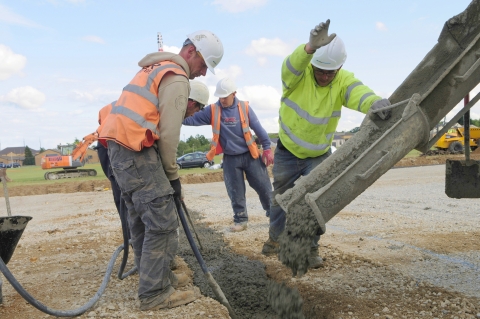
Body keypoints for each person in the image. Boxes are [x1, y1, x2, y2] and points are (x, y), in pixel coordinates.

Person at [98, 30, 223, 311]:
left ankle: (154, 276)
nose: (202, 74)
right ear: (191, 53)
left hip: (119, 150)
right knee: (163, 220)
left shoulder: (153, 69)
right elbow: (168, 134)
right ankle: (155, 292)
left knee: (142, 219)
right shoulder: (176, 78)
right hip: (136, 150)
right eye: (204, 66)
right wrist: (173, 177)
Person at [262, 20, 391, 268]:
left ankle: (310, 250)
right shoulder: (297, 77)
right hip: (288, 151)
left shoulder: (342, 80)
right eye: (319, 70)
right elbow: (290, 65)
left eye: (329, 73)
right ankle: (276, 241)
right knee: (280, 197)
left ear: (339, 68)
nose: (323, 76)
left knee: (316, 201)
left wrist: (374, 102)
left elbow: (358, 92)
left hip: (318, 154)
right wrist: (309, 48)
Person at [183, 77, 273, 232]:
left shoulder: (244, 108)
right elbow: (190, 119)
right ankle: (241, 220)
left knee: (264, 187)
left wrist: (267, 148)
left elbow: (259, 129)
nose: (222, 100)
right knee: (235, 190)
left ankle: (274, 216)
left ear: (234, 94)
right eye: (220, 97)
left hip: (250, 155)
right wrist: (177, 113)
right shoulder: (213, 110)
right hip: (231, 158)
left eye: (225, 97)